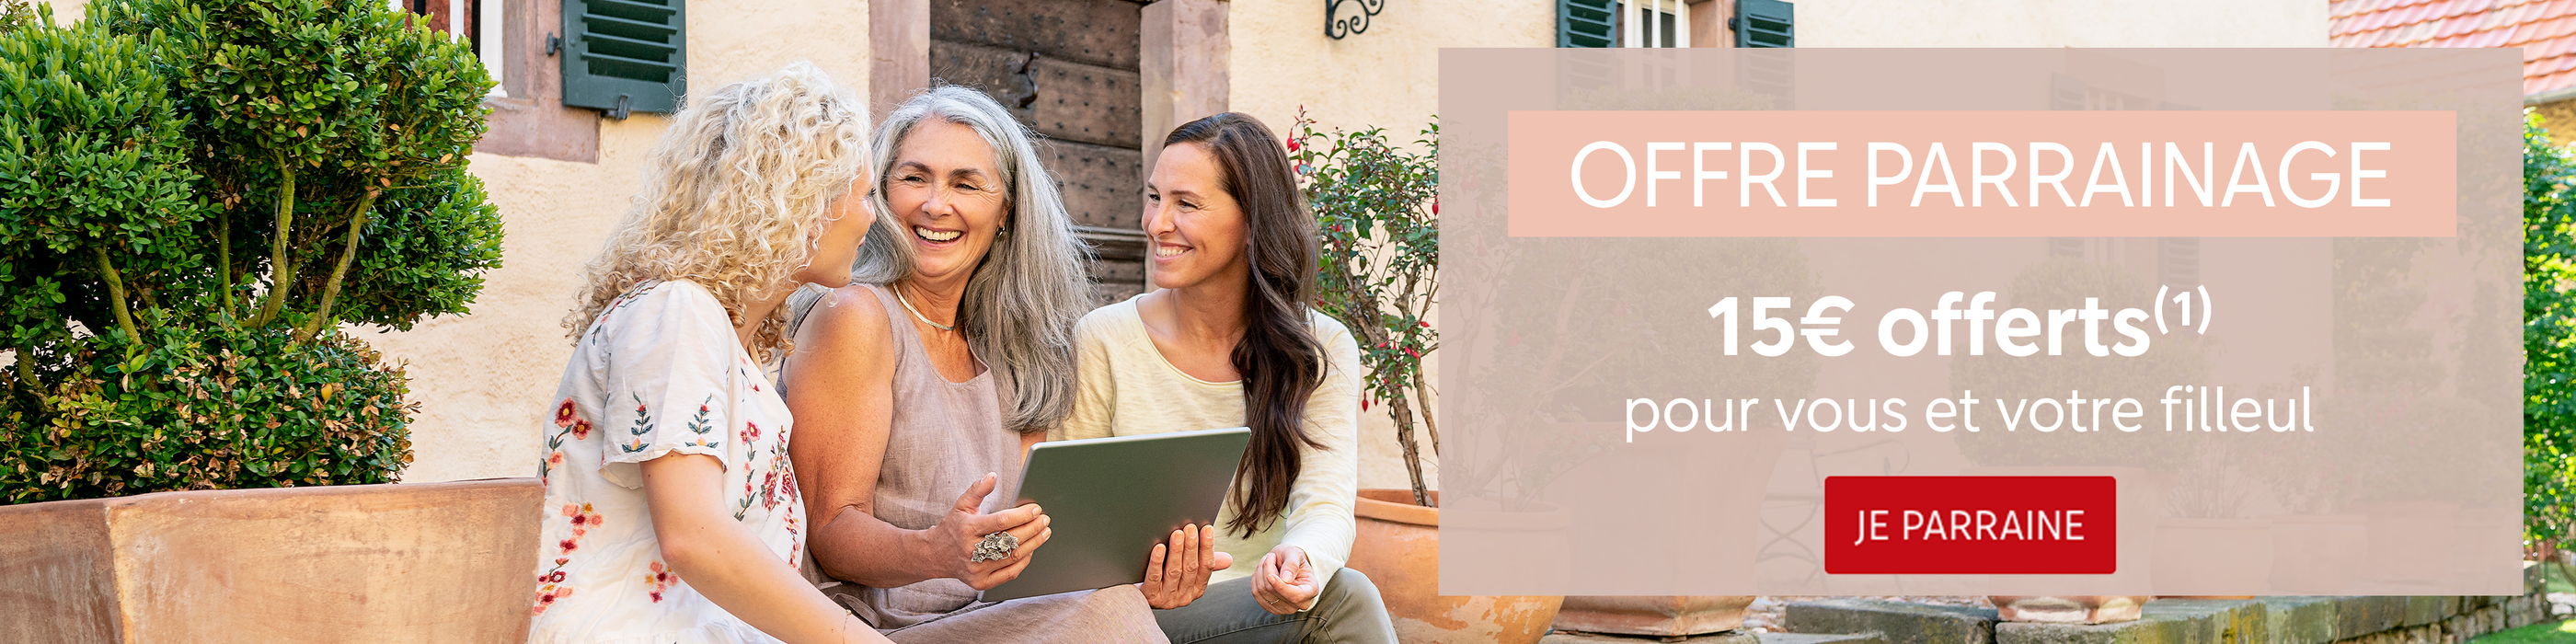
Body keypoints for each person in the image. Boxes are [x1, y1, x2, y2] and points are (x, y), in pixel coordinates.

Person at [778, 86, 1196, 641]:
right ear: (879, 193)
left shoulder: (1016, 344)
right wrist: (936, 552)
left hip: (992, 614)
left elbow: (1030, 536)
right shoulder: (855, 315)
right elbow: (827, 529)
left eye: (966, 184)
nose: (934, 204)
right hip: (879, 629)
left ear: (1006, 212)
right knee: (1105, 614)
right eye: (913, 177)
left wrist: (1142, 574)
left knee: (1115, 601)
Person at [530, 62, 888, 644]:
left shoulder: (713, 337)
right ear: (803, 199)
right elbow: (694, 536)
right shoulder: (677, 312)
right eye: (864, 195)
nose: (873, 217)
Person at [1055, 112, 1398, 643]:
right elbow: (1070, 524)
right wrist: (1139, 586)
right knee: (1348, 600)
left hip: (1258, 612)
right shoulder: (1103, 338)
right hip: (1129, 618)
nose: (1156, 223)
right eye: (1154, 198)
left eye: (1185, 204)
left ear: (1251, 221)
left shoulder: (1319, 348)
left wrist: (1302, 559)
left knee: (1339, 592)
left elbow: (1325, 503)